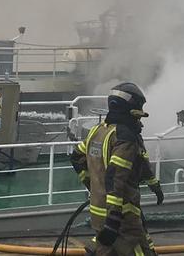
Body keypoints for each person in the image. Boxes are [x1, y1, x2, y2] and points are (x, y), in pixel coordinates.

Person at [69, 83, 163, 256]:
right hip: (122, 216)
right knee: (138, 251)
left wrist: (92, 185)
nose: (139, 121)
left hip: (98, 211)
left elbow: (76, 158)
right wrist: (113, 219)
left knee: (111, 248)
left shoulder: (97, 131)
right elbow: (115, 177)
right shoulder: (125, 137)